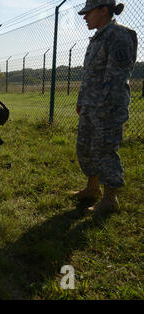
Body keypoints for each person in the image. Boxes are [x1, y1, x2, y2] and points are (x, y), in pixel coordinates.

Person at [71, 0, 137, 214]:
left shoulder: (119, 35)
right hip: (91, 105)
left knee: (105, 150)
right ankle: (92, 188)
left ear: (104, 10)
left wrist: (104, 108)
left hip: (108, 107)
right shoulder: (98, 37)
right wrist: (82, 101)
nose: (84, 16)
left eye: (88, 12)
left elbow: (117, 77)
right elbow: (90, 76)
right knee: (86, 148)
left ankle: (110, 198)